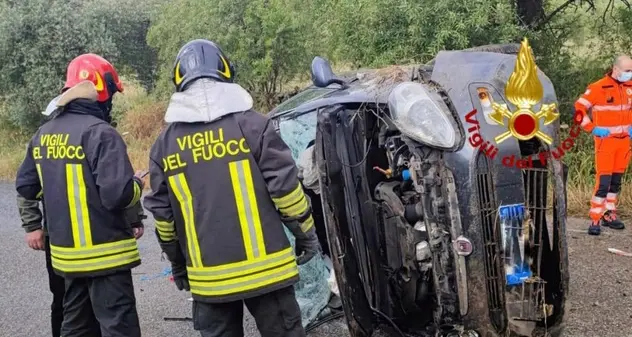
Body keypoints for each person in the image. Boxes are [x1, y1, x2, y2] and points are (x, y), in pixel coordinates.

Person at [143, 39, 321, 337]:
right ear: (225, 71)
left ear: (178, 81)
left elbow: (164, 220)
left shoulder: (164, 146)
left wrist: (178, 264)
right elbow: (288, 193)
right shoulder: (255, 126)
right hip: (269, 273)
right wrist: (307, 236)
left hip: (210, 281)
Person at [15, 53, 144, 337]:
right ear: (102, 91)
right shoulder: (101, 133)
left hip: (66, 259)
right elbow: (117, 195)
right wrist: (136, 185)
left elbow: (27, 186)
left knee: (76, 327)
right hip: (106, 255)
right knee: (117, 326)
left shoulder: (43, 134)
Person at [575, 55, 632, 236]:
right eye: (627, 71)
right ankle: (595, 217)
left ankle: (609, 214)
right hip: (605, 142)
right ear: (616, 70)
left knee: (615, 182)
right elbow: (578, 110)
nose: (630, 74)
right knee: (604, 182)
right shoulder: (598, 87)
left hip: (624, 143)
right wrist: (592, 128)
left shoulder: (630, 88)